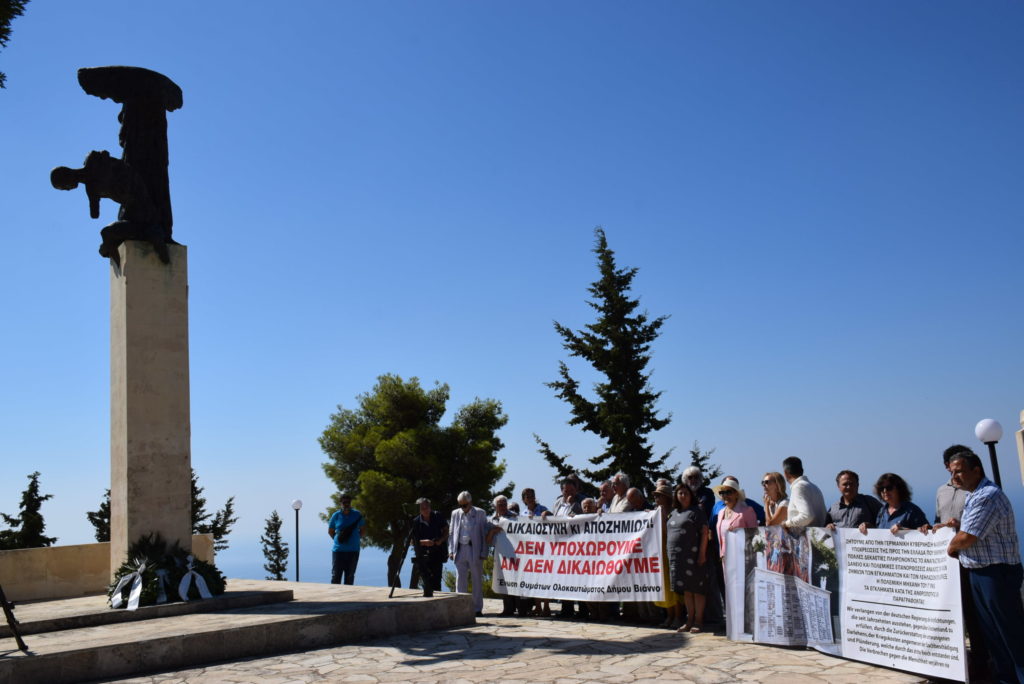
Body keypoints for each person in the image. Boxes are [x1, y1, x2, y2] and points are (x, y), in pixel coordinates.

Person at [945, 451, 1024, 684]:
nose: (954, 477)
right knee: (993, 634)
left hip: (996, 574)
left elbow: (968, 537)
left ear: (976, 470)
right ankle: (1005, 678)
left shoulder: (987, 495)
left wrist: (950, 546)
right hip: (980, 573)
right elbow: (971, 528)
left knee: (1009, 632)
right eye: (951, 472)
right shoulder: (973, 495)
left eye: (958, 471)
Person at [668, 483, 708, 634]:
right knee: (686, 590)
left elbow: (704, 533)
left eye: (685, 493)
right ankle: (689, 620)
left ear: (691, 495)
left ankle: (698, 621)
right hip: (677, 558)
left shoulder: (697, 512)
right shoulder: (673, 512)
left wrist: (702, 554)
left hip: (694, 556)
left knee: (697, 589)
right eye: (680, 493)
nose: (682, 496)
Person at [448, 491, 489, 616]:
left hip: (474, 549)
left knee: (476, 579)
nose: (463, 508)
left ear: (470, 502)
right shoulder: (455, 513)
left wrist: (484, 552)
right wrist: (450, 550)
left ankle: (477, 609)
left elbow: (484, 533)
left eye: (465, 505)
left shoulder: (480, 513)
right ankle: (461, 607)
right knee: (460, 580)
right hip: (460, 549)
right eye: (461, 505)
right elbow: (451, 532)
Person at [858, 473, 928, 534]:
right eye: (882, 488)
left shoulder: (912, 511)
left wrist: (905, 531)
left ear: (899, 489)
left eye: (889, 488)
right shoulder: (882, 511)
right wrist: (869, 527)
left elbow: (926, 533)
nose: (885, 491)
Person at [652, 484, 681, 629]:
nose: (656, 498)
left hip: (672, 551)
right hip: (660, 553)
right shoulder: (655, 511)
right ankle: (669, 615)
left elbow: (668, 531)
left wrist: (662, 517)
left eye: (659, 495)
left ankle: (678, 616)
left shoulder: (675, 512)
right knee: (664, 585)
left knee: (673, 586)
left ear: (667, 497)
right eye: (655, 496)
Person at [486, 495, 521, 617]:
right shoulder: (491, 520)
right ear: (495, 506)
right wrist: (492, 531)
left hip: (515, 555)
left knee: (516, 581)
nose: (503, 506)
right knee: (503, 582)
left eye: (504, 504)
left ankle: (521, 609)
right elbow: (488, 541)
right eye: (500, 504)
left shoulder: (515, 517)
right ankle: (508, 609)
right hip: (499, 556)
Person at [408, 497, 448, 597]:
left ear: (430, 507)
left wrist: (441, 540)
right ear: (419, 509)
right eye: (422, 508)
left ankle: (438, 602)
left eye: (427, 507)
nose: (425, 510)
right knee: (426, 582)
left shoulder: (437, 516)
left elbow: (447, 531)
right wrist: (424, 542)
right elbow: (412, 542)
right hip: (423, 556)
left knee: (437, 580)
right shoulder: (416, 522)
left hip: (438, 552)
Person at [713, 477, 757, 561]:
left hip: (743, 558)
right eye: (722, 492)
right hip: (725, 558)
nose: (725, 495)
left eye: (728, 492)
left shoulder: (747, 511)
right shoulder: (720, 513)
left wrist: (739, 532)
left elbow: (755, 535)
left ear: (736, 494)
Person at [328, 493, 366, 585]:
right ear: (340, 503)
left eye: (348, 502)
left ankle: (348, 598)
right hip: (338, 551)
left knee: (350, 576)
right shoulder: (336, 515)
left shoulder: (357, 514)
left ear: (350, 503)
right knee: (336, 576)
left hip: (353, 551)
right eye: (344, 502)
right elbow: (330, 531)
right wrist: (337, 540)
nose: (346, 504)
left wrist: (355, 539)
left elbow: (363, 530)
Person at [781, 457, 827, 529]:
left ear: (785, 473)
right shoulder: (814, 487)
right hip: (818, 536)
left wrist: (787, 524)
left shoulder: (798, 487)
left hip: (808, 537)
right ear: (802, 471)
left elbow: (807, 516)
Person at [936, 444, 972, 526]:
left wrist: (959, 525)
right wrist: (930, 528)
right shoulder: (941, 491)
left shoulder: (978, 490)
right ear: (947, 465)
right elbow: (938, 520)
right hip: (946, 539)